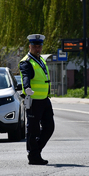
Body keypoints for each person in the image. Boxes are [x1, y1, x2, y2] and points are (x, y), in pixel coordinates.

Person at [19, 34, 55, 165]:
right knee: (33, 129)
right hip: (33, 100)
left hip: (44, 100)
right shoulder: (26, 62)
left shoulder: (41, 60)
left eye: (39, 46)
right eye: (34, 46)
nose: (37, 48)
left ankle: (35, 152)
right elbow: (25, 77)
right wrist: (27, 88)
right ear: (29, 46)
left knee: (49, 127)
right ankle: (34, 156)